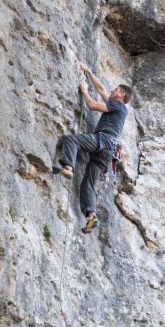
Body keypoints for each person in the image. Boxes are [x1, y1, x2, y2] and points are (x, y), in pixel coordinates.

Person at [52, 66, 132, 234]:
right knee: (88, 183)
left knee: (72, 139)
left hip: (104, 140)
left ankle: (68, 168)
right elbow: (101, 89)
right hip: (109, 151)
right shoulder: (118, 107)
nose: (112, 90)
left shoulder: (117, 105)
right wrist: (88, 71)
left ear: (121, 94)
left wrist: (84, 90)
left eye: (115, 89)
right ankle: (91, 216)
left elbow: (93, 105)